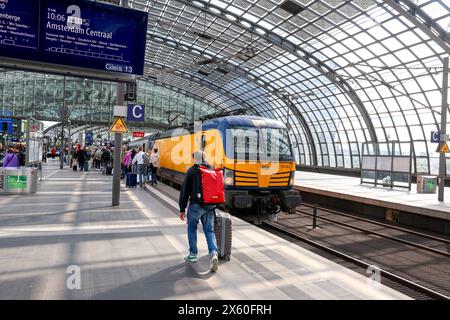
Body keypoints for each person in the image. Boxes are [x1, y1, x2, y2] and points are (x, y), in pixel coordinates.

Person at [179, 151, 219, 272]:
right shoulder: (212, 169)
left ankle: (193, 254)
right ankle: (213, 253)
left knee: (192, 229)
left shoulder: (192, 170)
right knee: (209, 230)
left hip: (196, 205)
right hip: (210, 206)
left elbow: (184, 191)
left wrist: (182, 209)